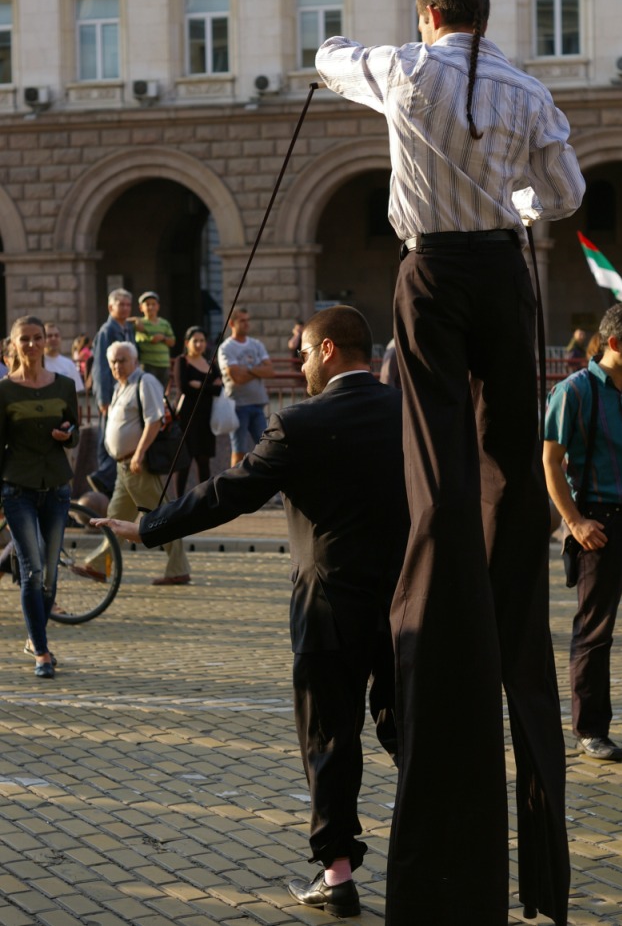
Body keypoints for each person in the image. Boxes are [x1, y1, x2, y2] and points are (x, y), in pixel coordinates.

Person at [315, 0, 585, 925]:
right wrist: (508, 199)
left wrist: (338, 60)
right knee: (509, 442)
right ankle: (512, 542)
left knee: (434, 446)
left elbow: (334, 57)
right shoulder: (528, 89)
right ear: (486, 14)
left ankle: (442, 551)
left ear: (428, 14)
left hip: (428, 271)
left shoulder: (400, 66)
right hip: (502, 277)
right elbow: (564, 192)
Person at [91, 306, 409, 917]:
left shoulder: (301, 423)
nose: (298, 363)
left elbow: (227, 494)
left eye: (304, 353)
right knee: (410, 734)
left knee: (329, 740)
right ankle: (436, 857)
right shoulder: (409, 413)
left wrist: (150, 527)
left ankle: (338, 877)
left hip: (328, 606)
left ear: (328, 352)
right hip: (404, 600)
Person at [544, 303, 622, 764]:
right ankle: (591, 730)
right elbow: (549, 462)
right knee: (595, 632)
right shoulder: (574, 392)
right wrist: (575, 522)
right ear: (617, 343)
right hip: (600, 522)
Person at [0, 315, 79, 678]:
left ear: (46, 341)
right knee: (32, 573)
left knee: (49, 574)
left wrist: (68, 434)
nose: (31, 345)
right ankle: (43, 652)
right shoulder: (4, 391)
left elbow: (74, 427)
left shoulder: (63, 385)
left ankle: (35, 636)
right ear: (13, 345)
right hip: (18, 489)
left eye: (37, 338)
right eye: (24, 339)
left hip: (58, 489)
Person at [74, 341, 190, 586]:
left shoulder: (144, 382)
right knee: (115, 518)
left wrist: (138, 454)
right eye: (113, 361)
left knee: (160, 516)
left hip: (139, 465)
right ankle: (98, 566)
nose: (117, 365)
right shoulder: (120, 387)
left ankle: (178, 569)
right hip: (123, 467)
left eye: (122, 360)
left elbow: (154, 421)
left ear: (135, 361)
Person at [87, 288, 135, 498]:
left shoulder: (128, 329)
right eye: (120, 305)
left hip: (126, 391)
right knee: (108, 438)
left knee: (118, 435)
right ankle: (103, 478)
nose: (125, 308)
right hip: (111, 394)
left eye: (127, 305)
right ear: (110, 307)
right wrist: (103, 398)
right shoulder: (107, 331)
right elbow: (100, 367)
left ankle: (108, 480)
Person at [218, 307, 275, 466]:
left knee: (267, 448)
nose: (246, 324)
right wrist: (258, 370)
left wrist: (248, 370)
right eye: (242, 320)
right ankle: (233, 488)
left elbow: (270, 371)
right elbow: (237, 378)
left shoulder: (256, 344)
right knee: (239, 451)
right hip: (238, 406)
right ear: (232, 323)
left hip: (258, 404)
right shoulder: (226, 348)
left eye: (248, 320)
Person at [173, 326, 223, 497]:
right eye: (195, 341)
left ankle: (204, 500)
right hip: (187, 418)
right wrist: (209, 387)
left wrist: (200, 385)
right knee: (184, 461)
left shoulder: (210, 363)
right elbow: (184, 388)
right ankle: (178, 501)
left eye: (202, 341)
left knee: (204, 460)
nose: (199, 344)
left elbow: (219, 389)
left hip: (207, 417)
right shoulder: (182, 361)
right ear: (187, 343)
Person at [129, 291, 176, 388]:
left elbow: (172, 342)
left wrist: (163, 338)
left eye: (153, 304)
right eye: (147, 304)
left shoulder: (164, 323)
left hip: (163, 365)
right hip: (147, 364)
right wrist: (135, 319)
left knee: (161, 394)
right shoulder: (138, 323)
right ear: (141, 308)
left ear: (158, 306)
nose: (151, 307)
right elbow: (122, 320)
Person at [44, 322, 85, 393]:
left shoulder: (69, 364)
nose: (53, 338)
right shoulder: (37, 364)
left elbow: (75, 392)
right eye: (49, 336)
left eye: (56, 335)